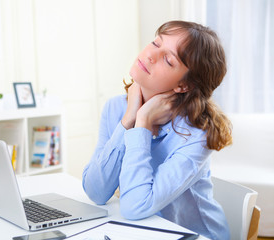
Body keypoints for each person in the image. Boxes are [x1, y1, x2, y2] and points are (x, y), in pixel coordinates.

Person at [82, 20, 232, 240]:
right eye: (155, 43)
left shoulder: (196, 135)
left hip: (193, 236)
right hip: (143, 232)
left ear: (184, 85)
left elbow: (135, 207)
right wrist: (128, 120)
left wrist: (142, 121)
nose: (151, 55)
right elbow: (96, 192)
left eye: (168, 60)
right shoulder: (116, 108)